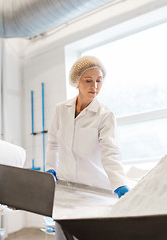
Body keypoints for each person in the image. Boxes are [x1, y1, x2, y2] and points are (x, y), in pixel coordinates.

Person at [45, 55, 129, 198]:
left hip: (94, 189)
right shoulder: (61, 109)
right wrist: (50, 168)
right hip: (64, 186)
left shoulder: (105, 115)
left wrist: (120, 184)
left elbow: (110, 152)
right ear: (77, 81)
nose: (94, 86)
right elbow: (53, 143)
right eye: (88, 80)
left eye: (99, 81)